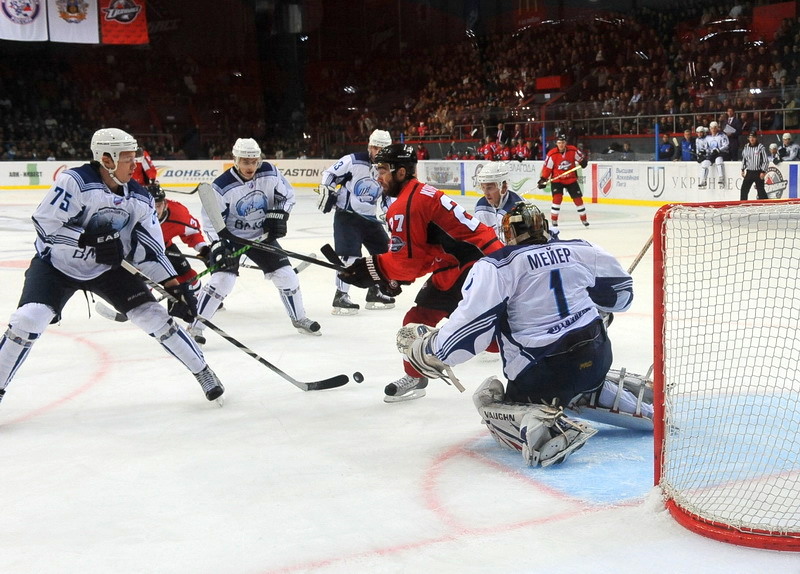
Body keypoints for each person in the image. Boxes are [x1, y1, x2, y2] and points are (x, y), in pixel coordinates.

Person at [396, 202, 646, 467]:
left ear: (509, 234)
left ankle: (541, 429)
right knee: (584, 365)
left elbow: (470, 333)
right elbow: (621, 298)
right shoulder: (583, 249)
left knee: (487, 398)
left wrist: (432, 350)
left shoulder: (497, 266)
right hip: (597, 358)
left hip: (542, 376)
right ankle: (600, 392)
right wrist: (597, 311)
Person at [0, 128, 223, 406]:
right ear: (106, 159)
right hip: (56, 266)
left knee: (153, 316)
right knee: (28, 319)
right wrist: (87, 238)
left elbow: (151, 249)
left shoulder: (140, 198)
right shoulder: (75, 182)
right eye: (128, 158)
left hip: (107, 270)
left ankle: (203, 371)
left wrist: (172, 285)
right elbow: (45, 223)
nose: (135, 165)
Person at [336, 144, 502, 402]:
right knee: (416, 318)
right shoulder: (415, 196)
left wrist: (373, 269)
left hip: (479, 265)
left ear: (400, 172)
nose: (378, 176)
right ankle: (415, 377)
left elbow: (408, 261)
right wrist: (391, 276)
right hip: (459, 264)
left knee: (492, 338)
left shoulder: (407, 205)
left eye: (382, 170)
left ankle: (536, 355)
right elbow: (424, 255)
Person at [189, 138, 321, 344]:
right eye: (245, 161)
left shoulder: (270, 172)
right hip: (230, 238)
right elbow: (211, 221)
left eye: (253, 161)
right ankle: (195, 327)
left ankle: (299, 318)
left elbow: (288, 197)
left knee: (287, 276)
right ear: (235, 160)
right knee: (223, 281)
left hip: (262, 235)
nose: (250, 166)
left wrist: (280, 215)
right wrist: (217, 246)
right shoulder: (222, 186)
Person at [317, 129, 396, 315]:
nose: (379, 151)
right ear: (369, 146)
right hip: (347, 216)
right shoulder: (353, 160)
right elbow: (329, 174)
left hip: (369, 219)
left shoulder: (387, 169)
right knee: (350, 257)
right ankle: (341, 296)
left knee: (384, 255)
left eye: (383, 148)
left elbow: (387, 196)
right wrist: (326, 189)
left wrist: (391, 213)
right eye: (376, 147)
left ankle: (374, 291)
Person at [148, 182, 210, 292]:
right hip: (138, 252)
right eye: (150, 205)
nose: (154, 211)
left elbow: (192, 233)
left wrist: (204, 249)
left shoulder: (178, 214)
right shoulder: (133, 212)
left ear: (165, 204)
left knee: (189, 278)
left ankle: (199, 298)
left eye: (158, 205)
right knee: (144, 281)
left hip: (165, 248)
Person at [538, 134, 589, 227]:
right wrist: (543, 179)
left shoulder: (573, 150)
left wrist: (583, 161)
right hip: (557, 180)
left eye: (563, 142)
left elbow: (581, 158)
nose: (561, 145)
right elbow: (547, 168)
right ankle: (554, 220)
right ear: (556, 143)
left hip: (571, 179)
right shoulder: (552, 154)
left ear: (565, 143)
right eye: (559, 143)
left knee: (578, 199)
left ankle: (584, 219)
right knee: (557, 199)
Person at [473, 162, 524, 243]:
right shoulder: (481, 207)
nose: (486, 193)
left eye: (489, 188)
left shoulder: (518, 209)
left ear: (504, 187)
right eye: (483, 187)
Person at [740, 130, 769, 200]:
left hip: (758, 172)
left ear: (756, 138)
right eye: (750, 137)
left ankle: (766, 204)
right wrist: (742, 169)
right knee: (744, 189)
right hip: (749, 171)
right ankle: (743, 205)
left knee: (761, 191)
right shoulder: (746, 147)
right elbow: (744, 158)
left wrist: (763, 171)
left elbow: (765, 160)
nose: (751, 139)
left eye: (753, 137)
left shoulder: (760, 147)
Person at [706, 121, 730, 186]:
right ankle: (703, 180)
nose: (713, 130)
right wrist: (707, 151)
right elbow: (707, 147)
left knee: (718, 160)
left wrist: (719, 150)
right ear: (710, 129)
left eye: (714, 128)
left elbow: (726, 145)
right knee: (705, 163)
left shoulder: (722, 135)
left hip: (722, 153)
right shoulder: (708, 137)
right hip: (712, 154)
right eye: (712, 128)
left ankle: (721, 177)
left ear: (717, 128)